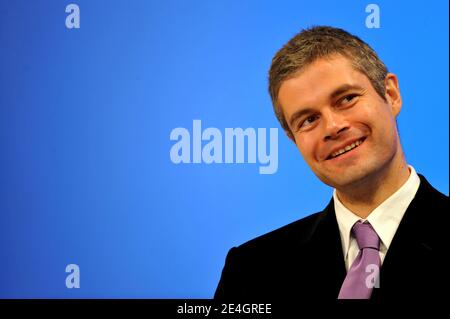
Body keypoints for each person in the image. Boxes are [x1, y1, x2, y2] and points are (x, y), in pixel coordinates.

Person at [214, 26, 449, 300]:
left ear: (391, 94)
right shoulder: (251, 269)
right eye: (309, 119)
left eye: (347, 99)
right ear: (293, 139)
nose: (333, 127)